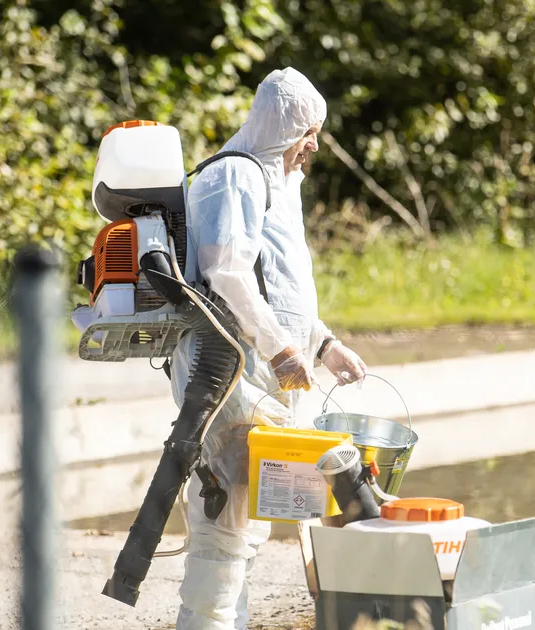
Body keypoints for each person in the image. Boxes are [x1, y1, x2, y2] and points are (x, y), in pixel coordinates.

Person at [168, 67, 368, 630]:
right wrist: (282, 351)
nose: (314, 145)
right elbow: (226, 273)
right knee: (224, 516)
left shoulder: (274, 183)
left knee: (249, 517)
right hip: (234, 368)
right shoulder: (234, 176)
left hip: (264, 368)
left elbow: (278, 287)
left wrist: (324, 344)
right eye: (311, 131)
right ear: (289, 125)